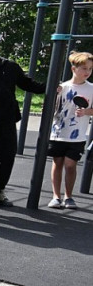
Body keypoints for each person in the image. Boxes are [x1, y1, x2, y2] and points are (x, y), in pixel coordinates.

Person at [0, 38, 46, 208]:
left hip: (7, 118)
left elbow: (27, 84)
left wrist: (50, 86)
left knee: (8, 155)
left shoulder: (10, 67)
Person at [46, 51, 93, 210]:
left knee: (70, 165)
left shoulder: (91, 88)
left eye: (90, 69)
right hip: (58, 133)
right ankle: (56, 196)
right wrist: (55, 94)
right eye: (84, 68)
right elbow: (51, 108)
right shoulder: (63, 87)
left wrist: (87, 112)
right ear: (74, 69)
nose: (87, 72)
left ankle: (69, 196)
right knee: (57, 162)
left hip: (77, 135)